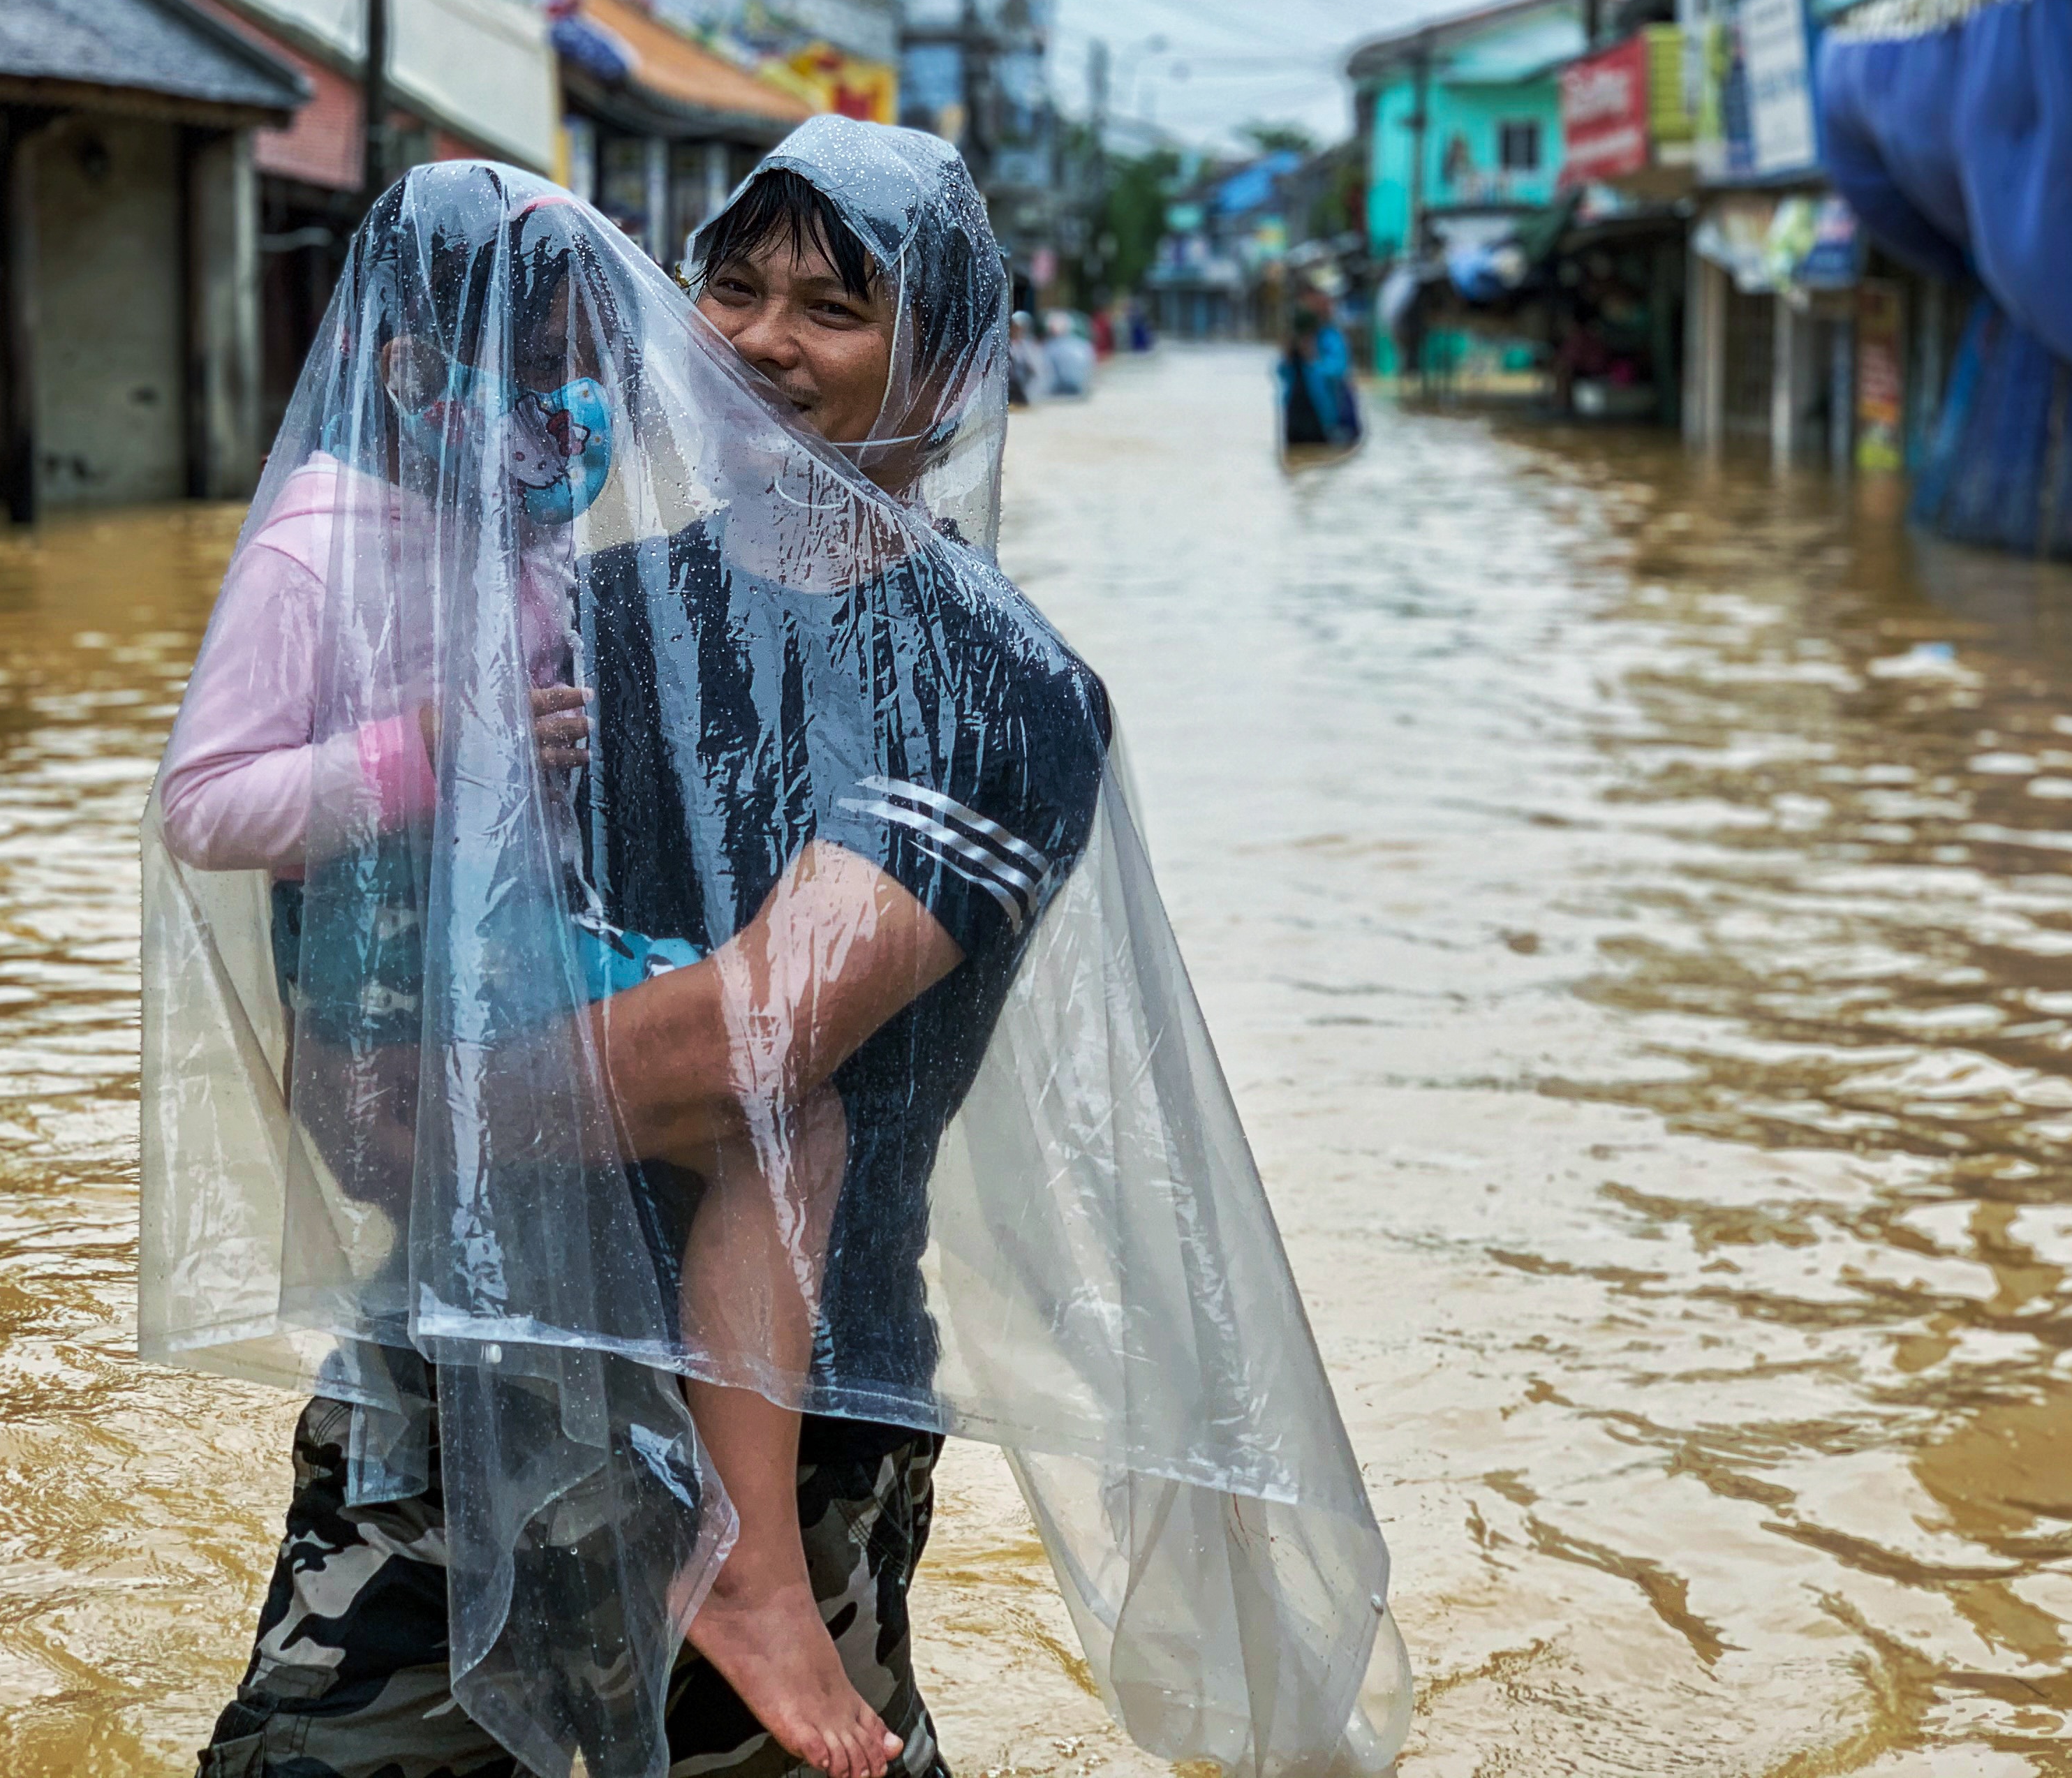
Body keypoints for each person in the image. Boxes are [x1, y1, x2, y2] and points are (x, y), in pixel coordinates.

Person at [147, 124, 1407, 1778]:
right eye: (729, 287)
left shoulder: (989, 693)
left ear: (945, 370)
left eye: (832, 306)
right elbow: (340, 968)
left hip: (786, 1445)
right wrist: (380, 1078)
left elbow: (745, 1044)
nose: (758, 340)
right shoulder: (559, 622)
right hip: (455, 1380)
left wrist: (427, 1101)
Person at [1275, 291, 1361, 450]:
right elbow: (1282, 374)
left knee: (1322, 457)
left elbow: (1338, 370)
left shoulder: (1331, 337)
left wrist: (1312, 360)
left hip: (1324, 416)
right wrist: (1287, 358)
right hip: (1295, 416)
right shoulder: (1296, 339)